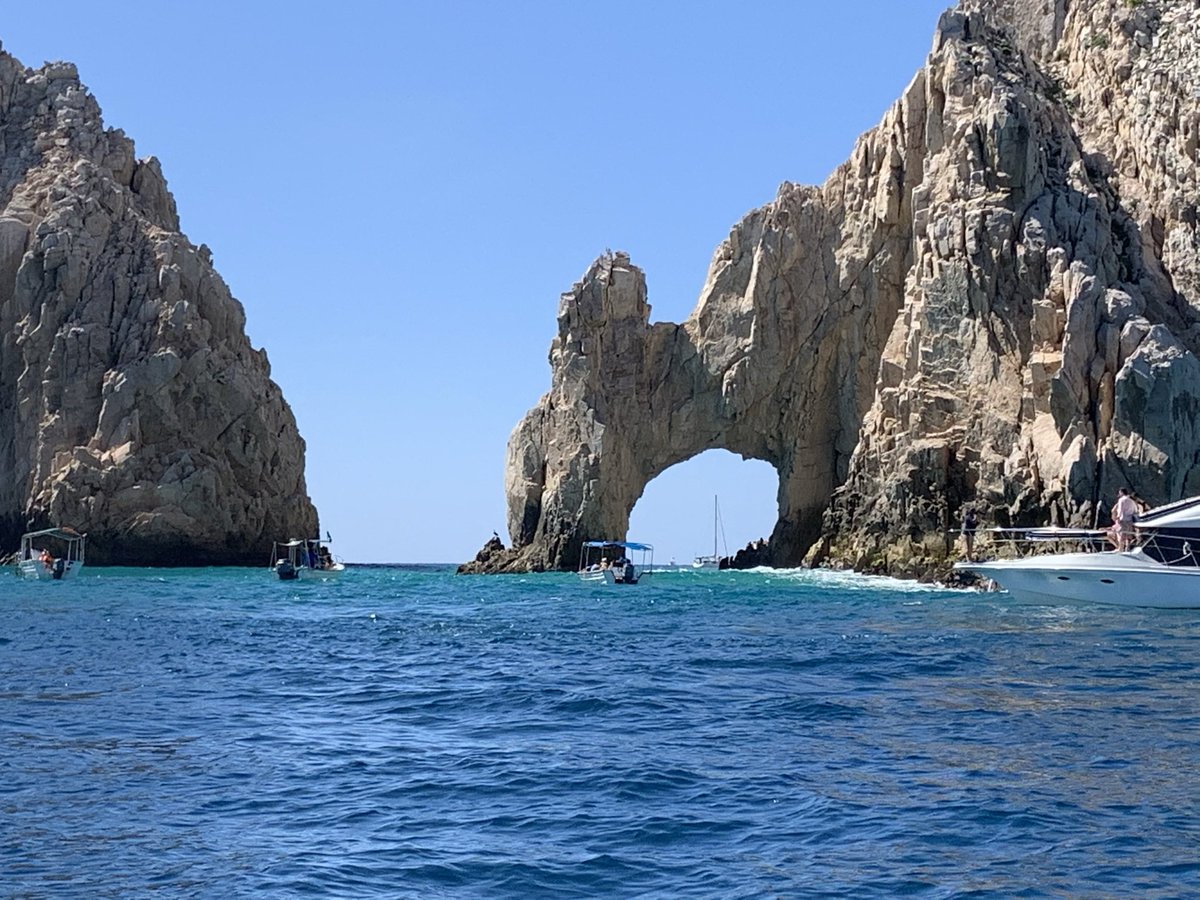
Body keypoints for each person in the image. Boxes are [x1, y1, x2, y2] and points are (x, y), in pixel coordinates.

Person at [1107, 487, 1139, 551]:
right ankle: (1127, 548)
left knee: (1121, 534)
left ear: (1121, 492)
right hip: (1130, 520)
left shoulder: (1121, 500)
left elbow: (1120, 510)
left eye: (1119, 493)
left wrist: (1118, 517)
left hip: (1123, 519)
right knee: (1128, 535)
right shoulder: (1132, 501)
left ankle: (1120, 549)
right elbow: (1136, 510)